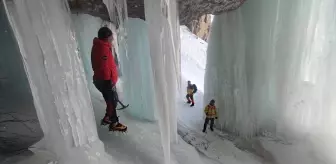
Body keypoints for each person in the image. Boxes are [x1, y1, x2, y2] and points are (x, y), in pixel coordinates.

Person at [91, 26, 127, 132]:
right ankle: (114, 122)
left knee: (111, 101)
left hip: (103, 79)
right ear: (106, 38)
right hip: (104, 80)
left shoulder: (103, 46)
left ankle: (107, 118)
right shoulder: (102, 48)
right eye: (110, 37)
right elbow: (104, 66)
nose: (112, 39)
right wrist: (109, 81)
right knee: (111, 101)